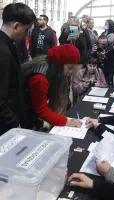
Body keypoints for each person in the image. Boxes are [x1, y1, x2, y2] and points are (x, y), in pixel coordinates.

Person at [22, 44, 82, 130]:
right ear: (59, 64)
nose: (71, 72)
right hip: (25, 115)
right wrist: (66, 121)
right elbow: (41, 110)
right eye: (69, 67)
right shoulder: (39, 79)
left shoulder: (52, 69)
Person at [0, 3, 36, 135]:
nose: (26, 36)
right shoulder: (3, 51)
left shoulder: (8, 44)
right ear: (16, 26)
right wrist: (15, 126)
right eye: (26, 30)